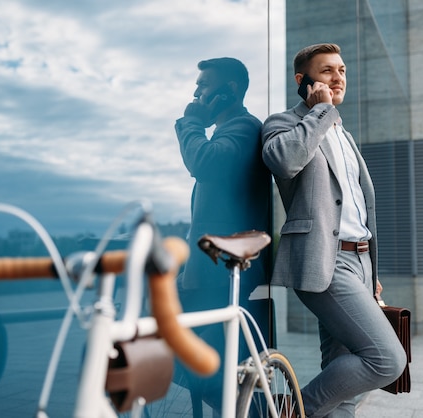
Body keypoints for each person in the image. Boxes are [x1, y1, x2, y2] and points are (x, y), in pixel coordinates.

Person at [261, 43, 406, 417]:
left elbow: (358, 207)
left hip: (359, 262)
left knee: (344, 381)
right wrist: (321, 110)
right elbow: (283, 161)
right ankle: (290, 411)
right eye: (327, 71)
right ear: (303, 80)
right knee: (386, 359)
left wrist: (370, 271)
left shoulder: (343, 133)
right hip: (325, 260)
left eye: (342, 70)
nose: (338, 77)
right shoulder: (286, 123)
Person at [174, 57, 271, 413]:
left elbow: (205, 162)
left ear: (228, 91)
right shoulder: (229, 130)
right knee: (204, 364)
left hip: (222, 272)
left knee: (207, 367)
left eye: (204, 85)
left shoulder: (244, 128)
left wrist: (190, 122)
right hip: (212, 270)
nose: (196, 92)